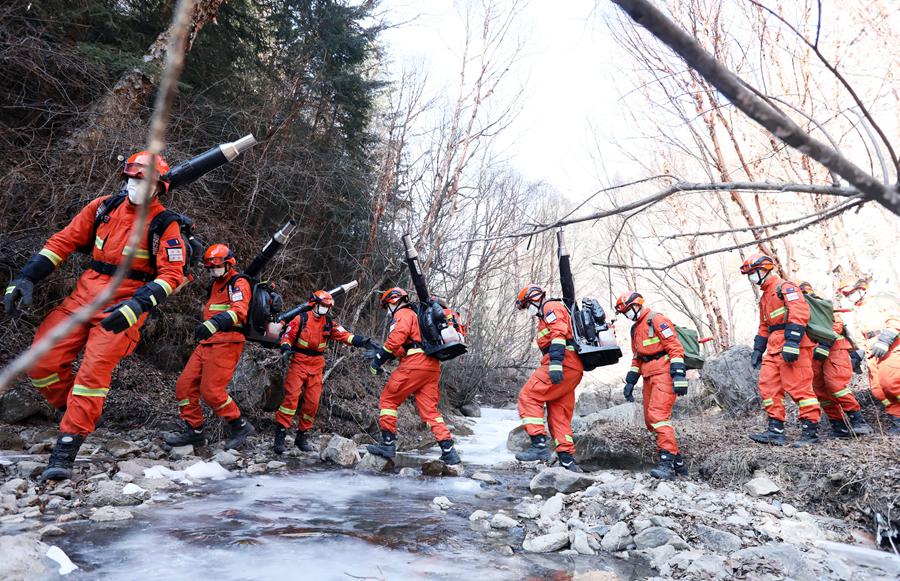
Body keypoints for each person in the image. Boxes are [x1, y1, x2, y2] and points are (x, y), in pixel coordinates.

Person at [4, 152, 185, 480]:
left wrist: (136, 307)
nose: (138, 186)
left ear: (160, 187)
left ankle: (65, 451)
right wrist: (26, 276)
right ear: (125, 178)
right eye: (134, 178)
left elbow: (172, 275)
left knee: (92, 372)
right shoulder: (104, 207)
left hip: (124, 305)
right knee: (42, 360)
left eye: (146, 182)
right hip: (83, 298)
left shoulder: (165, 224)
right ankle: (74, 411)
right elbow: (63, 242)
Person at [164, 244, 255, 450]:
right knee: (184, 387)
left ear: (228, 263)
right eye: (210, 268)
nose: (213, 271)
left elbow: (239, 311)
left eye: (216, 266)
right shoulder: (214, 284)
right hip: (207, 342)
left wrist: (214, 323)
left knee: (212, 391)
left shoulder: (239, 283)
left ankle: (239, 425)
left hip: (227, 342)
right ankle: (194, 431)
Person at [366, 287, 461, 466]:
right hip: (431, 365)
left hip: (414, 364)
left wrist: (378, 360)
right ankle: (449, 451)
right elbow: (404, 347)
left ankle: (388, 444)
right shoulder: (419, 317)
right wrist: (384, 352)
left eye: (387, 306)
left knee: (388, 400)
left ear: (393, 301)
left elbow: (396, 340)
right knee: (431, 411)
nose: (388, 312)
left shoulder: (403, 314)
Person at [275, 290, 376, 454]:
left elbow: (345, 336)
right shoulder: (301, 319)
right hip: (299, 362)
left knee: (312, 403)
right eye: (323, 306)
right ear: (314, 304)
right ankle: (280, 435)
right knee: (291, 400)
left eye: (327, 307)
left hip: (316, 365)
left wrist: (363, 341)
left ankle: (301, 436)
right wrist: (286, 349)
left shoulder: (329, 323)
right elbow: (287, 336)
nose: (325, 309)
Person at [741, 254, 821, 446]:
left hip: (794, 345)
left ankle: (810, 433)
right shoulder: (764, 297)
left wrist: (792, 342)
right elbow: (764, 326)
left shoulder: (785, 287)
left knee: (799, 388)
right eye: (749, 274)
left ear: (765, 269)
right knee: (768, 387)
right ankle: (775, 431)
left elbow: (799, 313)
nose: (752, 277)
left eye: (753, 273)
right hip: (773, 347)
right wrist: (758, 349)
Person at [614, 291, 688, 480]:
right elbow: (638, 357)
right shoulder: (635, 329)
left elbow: (675, 347)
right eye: (624, 313)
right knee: (650, 421)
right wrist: (630, 381)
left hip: (664, 372)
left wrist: (679, 375)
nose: (627, 315)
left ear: (637, 305)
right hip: (648, 375)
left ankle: (667, 464)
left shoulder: (656, 319)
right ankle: (677, 461)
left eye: (628, 310)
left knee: (658, 416)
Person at [512, 284, 584, 473]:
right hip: (571, 366)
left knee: (528, 396)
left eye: (528, 305)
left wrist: (556, 363)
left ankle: (539, 445)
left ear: (535, 298)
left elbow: (559, 333)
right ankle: (567, 460)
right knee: (559, 412)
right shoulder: (545, 313)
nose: (528, 310)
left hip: (562, 362)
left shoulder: (550, 307)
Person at [797, 282, 871, 438]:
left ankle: (859, 421)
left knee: (836, 385)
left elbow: (836, 323)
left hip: (834, 350)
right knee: (821, 391)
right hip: (813, 353)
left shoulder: (821, 305)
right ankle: (839, 426)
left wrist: (825, 343)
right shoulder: (795, 310)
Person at [839, 278, 900, 435]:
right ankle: (897, 420)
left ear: (862, 289)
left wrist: (885, 339)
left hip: (891, 345)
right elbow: (860, 338)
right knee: (878, 390)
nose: (850, 296)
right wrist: (856, 356)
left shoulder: (880, 300)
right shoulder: (857, 312)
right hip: (871, 349)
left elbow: (895, 318)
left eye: (852, 292)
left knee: (892, 384)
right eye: (847, 294)